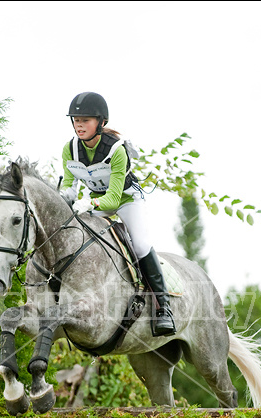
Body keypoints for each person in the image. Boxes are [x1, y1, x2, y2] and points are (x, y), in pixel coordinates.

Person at [60, 92, 176, 337]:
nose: (79, 125)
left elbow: (112, 199)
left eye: (85, 120)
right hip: (94, 202)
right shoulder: (69, 149)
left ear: (101, 122)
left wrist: (85, 204)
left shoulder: (116, 150)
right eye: (76, 120)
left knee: (141, 244)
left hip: (124, 201)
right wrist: (64, 199)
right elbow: (69, 186)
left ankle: (164, 308)